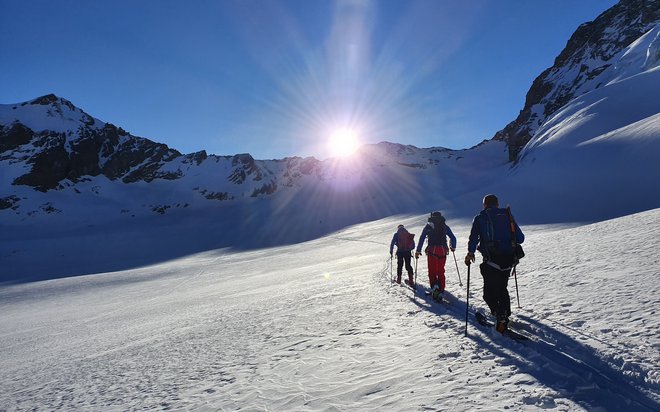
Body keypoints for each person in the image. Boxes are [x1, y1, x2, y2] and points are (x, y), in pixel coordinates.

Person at [465, 194, 525, 333]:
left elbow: (474, 238)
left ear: (485, 204)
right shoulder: (507, 215)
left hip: (491, 261)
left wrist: (470, 253)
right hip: (509, 261)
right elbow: (520, 238)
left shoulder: (480, 217)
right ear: (497, 204)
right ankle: (504, 315)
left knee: (488, 293)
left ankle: (500, 316)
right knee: (502, 289)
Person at [415, 211, 457, 300]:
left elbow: (422, 238)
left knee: (432, 271)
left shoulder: (428, 226)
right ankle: (441, 290)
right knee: (441, 271)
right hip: (442, 251)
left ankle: (435, 289)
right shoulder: (445, 226)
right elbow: (453, 238)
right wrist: (453, 247)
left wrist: (418, 251)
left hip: (432, 251)